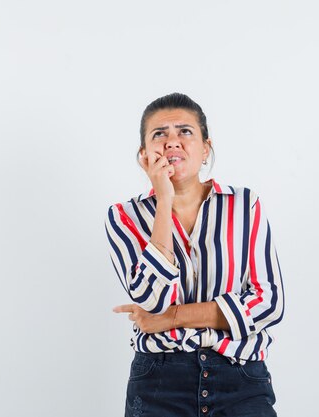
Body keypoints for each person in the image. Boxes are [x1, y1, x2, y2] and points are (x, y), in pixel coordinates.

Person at [104, 92, 285, 417]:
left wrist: (170, 319)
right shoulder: (124, 216)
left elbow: (269, 302)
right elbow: (151, 301)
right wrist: (164, 200)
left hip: (240, 378)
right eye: (160, 134)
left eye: (184, 131)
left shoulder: (243, 205)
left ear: (205, 149)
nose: (172, 141)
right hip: (160, 381)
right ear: (144, 155)